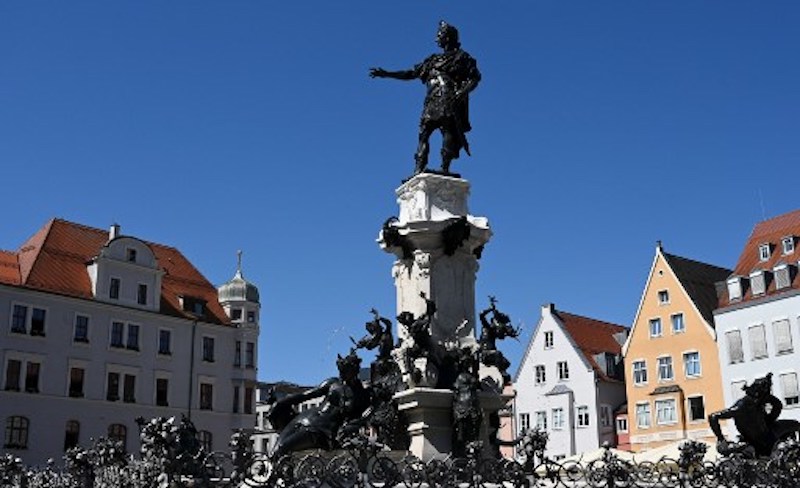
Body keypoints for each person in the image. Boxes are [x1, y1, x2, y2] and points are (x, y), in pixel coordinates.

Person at [370, 21, 481, 176]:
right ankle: (419, 168)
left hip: (448, 99)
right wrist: (387, 74)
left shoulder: (462, 57)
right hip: (432, 100)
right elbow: (411, 73)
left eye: (439, 35)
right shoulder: (432, 60)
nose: (437, 39)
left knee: (448, 130)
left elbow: (474, 78)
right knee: (424, 132)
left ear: (448, 37)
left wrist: (461, 93)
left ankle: (444, 168)